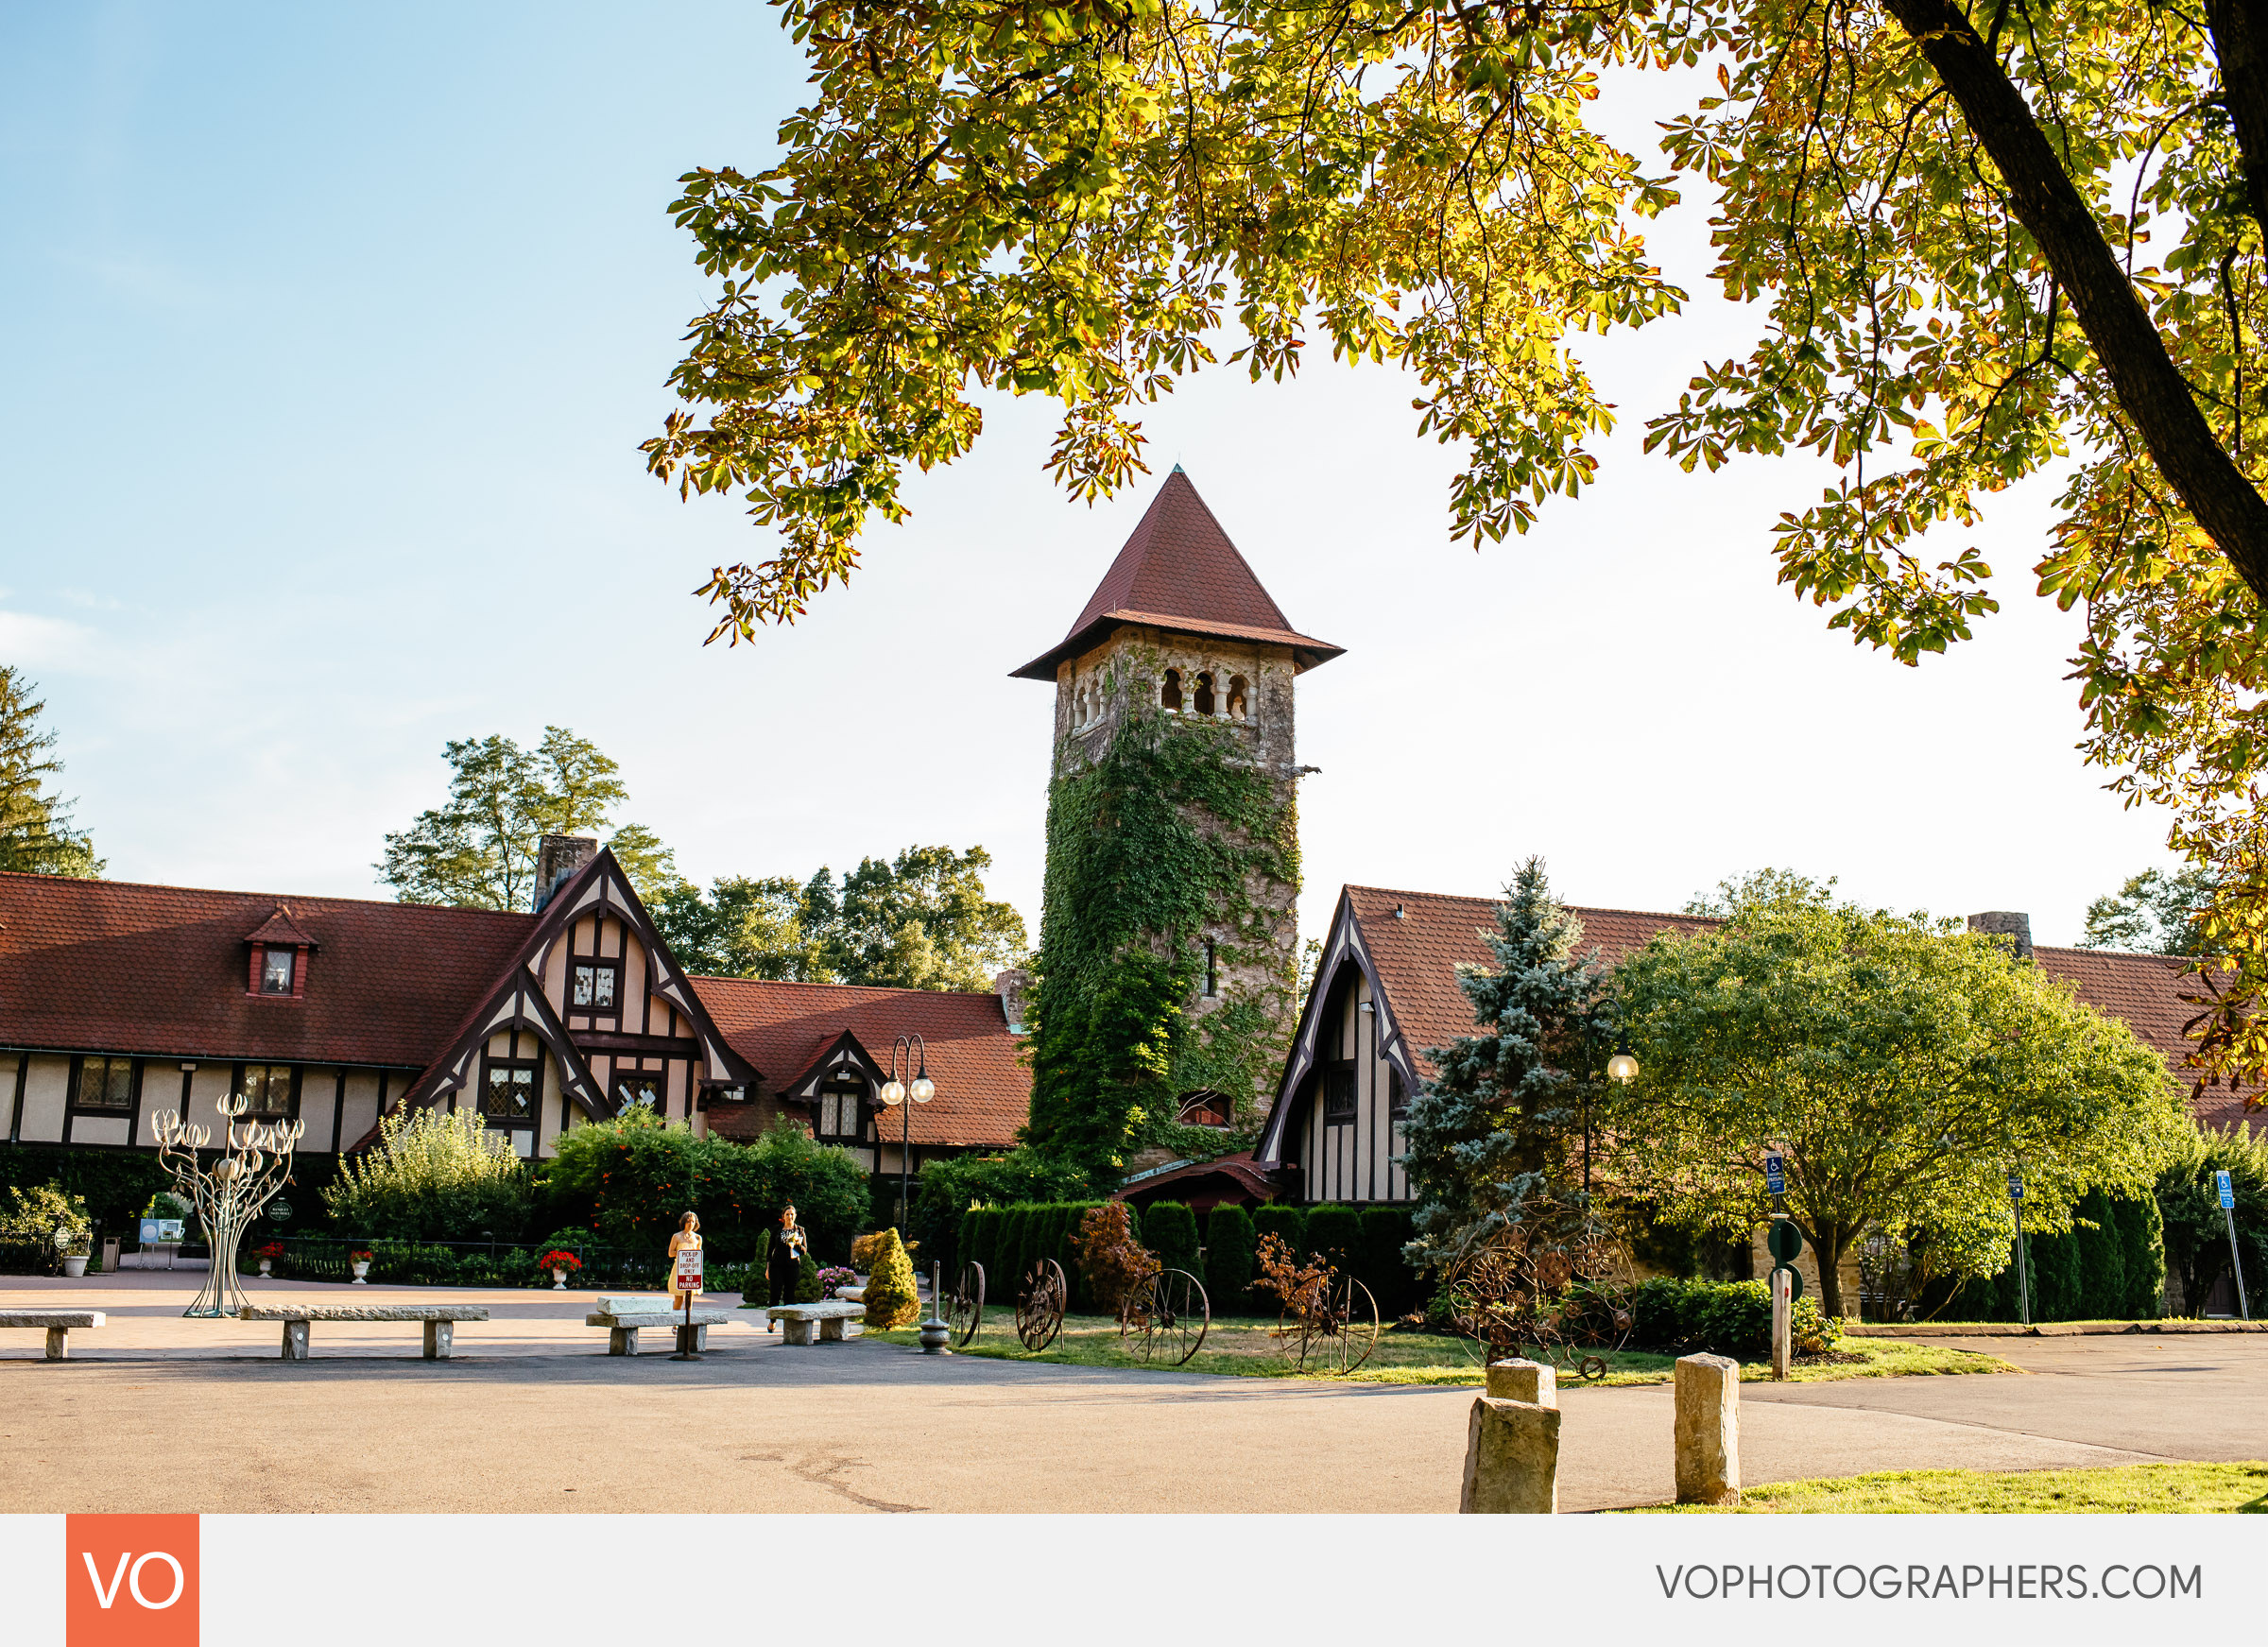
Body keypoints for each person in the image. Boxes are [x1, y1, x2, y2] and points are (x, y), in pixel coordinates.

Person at [765, 1203, 808, 1327]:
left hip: (792, 1266)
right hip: (777, 1266)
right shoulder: (777, 1230)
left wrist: (796, 1244)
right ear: (783, 1216)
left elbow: (804, 1251)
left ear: (795, 1216)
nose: (790, 1217)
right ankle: (772, 1321)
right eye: (787, 1214)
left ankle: (790, 1323)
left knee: (790, 1294)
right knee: (775, 1293)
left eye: (792, 1214)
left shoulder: (800, 1230)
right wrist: (768, 1267)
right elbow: (769, 1250)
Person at [666, 1210, 702, 1311]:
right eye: (688, 1221)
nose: (690, 1224)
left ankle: (687, 1324)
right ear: (684, 1222)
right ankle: (675, 1324)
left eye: (693, 1222)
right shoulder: (677, 1236)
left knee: (689, 1299)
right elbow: (670, 1253)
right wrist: (682, 1253)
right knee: (678, 1299)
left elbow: (698, 1256)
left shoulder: (698, 1238)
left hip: (692, 1271)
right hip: (679, 1269)